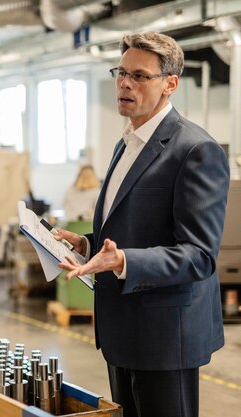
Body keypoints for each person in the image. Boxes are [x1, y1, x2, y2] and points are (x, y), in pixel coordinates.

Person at [56, 32, 229, 417]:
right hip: (123, 330)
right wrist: (86, 246)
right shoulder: (127, 142)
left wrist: (122, 263)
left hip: (167, 336)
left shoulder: (195, 150)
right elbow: (131, 230)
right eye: (121, 73)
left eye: (139, 75)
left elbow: (199, 256)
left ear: (170, 84)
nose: (124, 83)